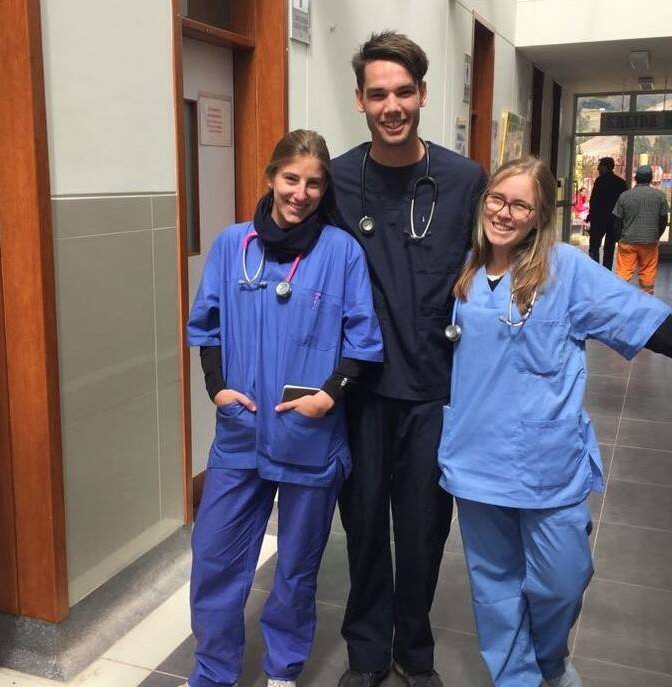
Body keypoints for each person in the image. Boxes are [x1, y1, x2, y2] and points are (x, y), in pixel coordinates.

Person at [439, 156, 672, 687]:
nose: (504, 213)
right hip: (474, 457)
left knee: (563, 577)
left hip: (545, 461)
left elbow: (652, 326)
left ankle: (549, 661)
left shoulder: (566, 270)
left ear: (539, 216)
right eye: (497, 199)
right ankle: (517, 678)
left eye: (520, 205)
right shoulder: (463, 269)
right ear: (483, 199)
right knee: (494, 584)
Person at [184, 130, 383, 687]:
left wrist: (328, 396)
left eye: (314, 182)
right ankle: (213, 671)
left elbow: (362, 341)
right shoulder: (233, 245)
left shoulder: (341, 251)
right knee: (215, 559)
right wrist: (217, 388)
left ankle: (282, 670)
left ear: (325, 189)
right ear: (271, 176)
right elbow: (209, 326)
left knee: (296, 569)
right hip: (241, 431)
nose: (301, 192)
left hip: (309, 435)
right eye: (291, 178)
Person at [328, 31, 486, 687]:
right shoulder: (337, 179)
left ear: (421, 93)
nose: (391, 105)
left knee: (422, 532)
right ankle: (367, 653)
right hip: (361, 390)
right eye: (377, 94)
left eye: (402, 92)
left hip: (434, 388)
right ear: (361, 100)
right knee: (363, 529)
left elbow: (503, 267)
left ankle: (413, 651)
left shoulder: (462, 179)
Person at [613, 164, 669, 294]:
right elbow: (663, 220)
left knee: (623, 273)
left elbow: (617, 219)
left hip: (627, 241)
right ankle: (647, 297)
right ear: (651, 178)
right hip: (649, 241)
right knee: (648, 271)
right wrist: (656, 235)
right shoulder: (659, 196)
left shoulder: (625, 196)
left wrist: (619, 238)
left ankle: (620, 299)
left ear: (636, 178)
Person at [586, 157, 626, 268]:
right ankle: (606, 270)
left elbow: (594, 200)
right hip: (614, 219)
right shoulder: (621, 182)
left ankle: (595, 269)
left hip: (599, 218)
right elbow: (623, 203)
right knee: (610, 246)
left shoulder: (600, 181)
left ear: (604, 167)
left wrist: (590, 215)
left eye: (599, 166)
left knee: (594, 245)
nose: (598, 169)